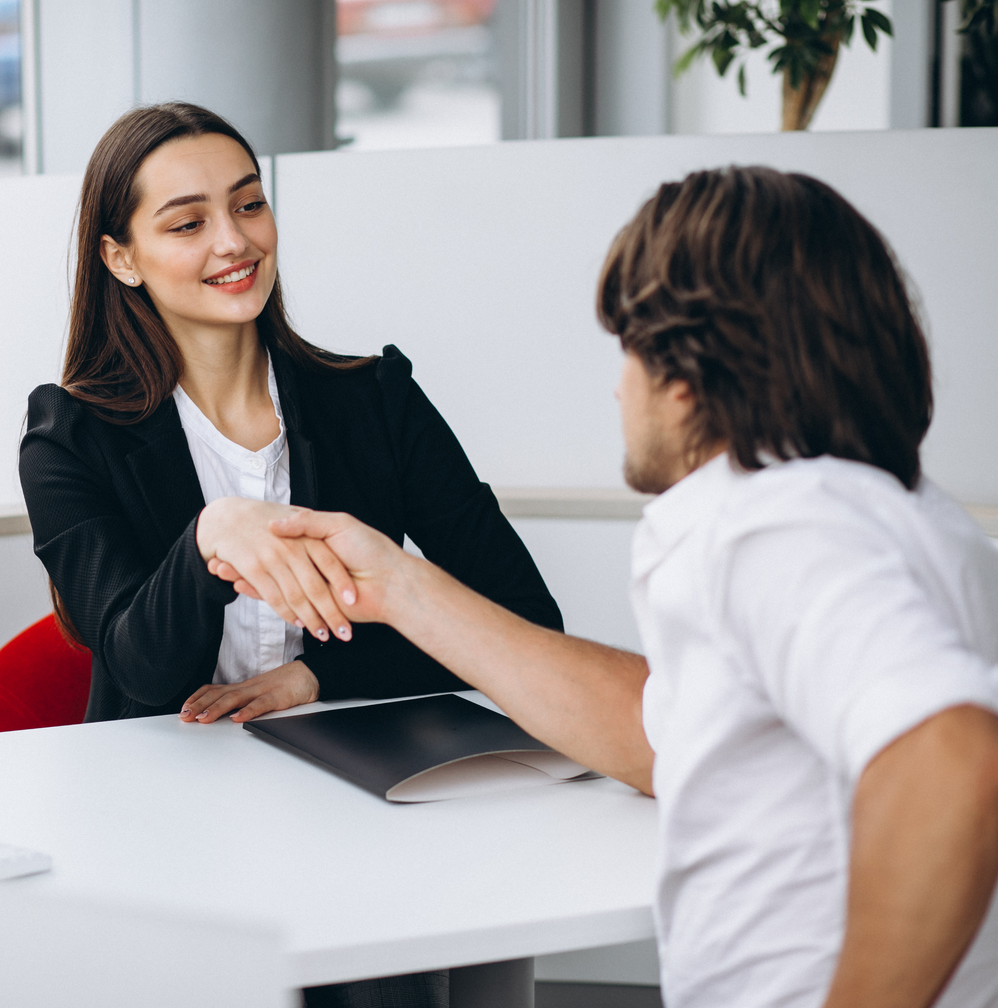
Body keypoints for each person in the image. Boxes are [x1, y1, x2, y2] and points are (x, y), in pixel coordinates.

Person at [211, 166, 998, 1008]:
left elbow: (954, 760)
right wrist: (399, 586)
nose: (619, 386)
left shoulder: (779, 527)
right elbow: (660, 734)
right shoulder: (902, 514)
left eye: (628, 349)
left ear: (690, 372)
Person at [18, 102, 561, 1008]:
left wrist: (322, 680)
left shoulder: (377, 399)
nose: (234, 242)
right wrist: (208, 540)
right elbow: (141, 664)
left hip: (360, 787)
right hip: (171, 816)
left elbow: (522, 618)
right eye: (187, 223)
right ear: (121, 257)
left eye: (250, 205)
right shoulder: (70, 437)